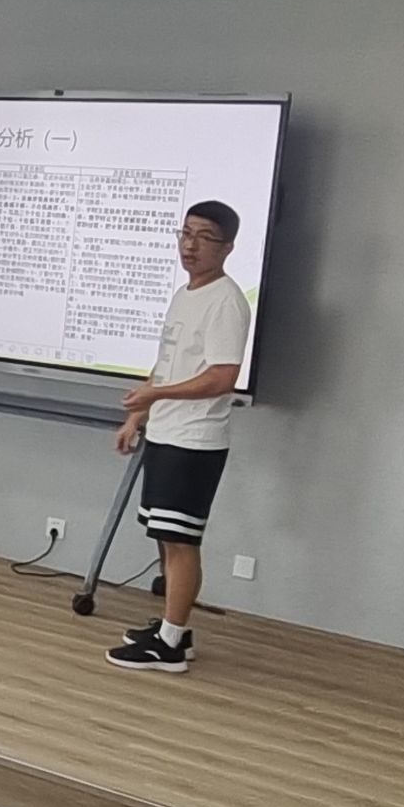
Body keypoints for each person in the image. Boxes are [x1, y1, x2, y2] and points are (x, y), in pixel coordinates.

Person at [108, 199, 253, 672]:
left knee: (181, 542)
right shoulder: (185, 293)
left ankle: (169, 645)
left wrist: (159, 394)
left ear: (227, 247)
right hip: (167, 432)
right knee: (166, 536)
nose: (190, 245)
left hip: (195, 439)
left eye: (204, 237)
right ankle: (175, 629)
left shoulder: (226, 301)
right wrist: (139, 416)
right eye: (185, 233)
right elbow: (168, 364)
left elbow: (222, 377)